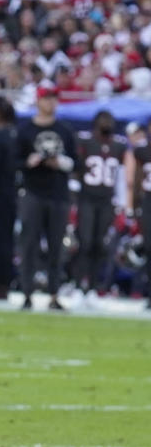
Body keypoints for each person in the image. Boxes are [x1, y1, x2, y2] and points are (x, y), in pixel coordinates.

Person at [16, 80, 78, 311]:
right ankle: (27, 293)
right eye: (46, 97)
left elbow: (75, 162)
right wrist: (31, 162)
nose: (50, 102)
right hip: (32, 192)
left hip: (58, 194)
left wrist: (58, 162)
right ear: (38, 100)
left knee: (56, 247)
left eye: (53, 97)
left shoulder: (64, 130)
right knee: (29, 245)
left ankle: (53, 294)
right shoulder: (26, 129)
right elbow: (15, 161)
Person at [72, 110, 127, 298]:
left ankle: (94, 288)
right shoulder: (85, 140)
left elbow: (121, 176)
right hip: (87, 198)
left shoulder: (118, 145)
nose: (106, 123)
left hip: (106, 201)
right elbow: (76, 169)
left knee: (99, 245)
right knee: (84, 243)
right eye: (103, 119)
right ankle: (79, 285)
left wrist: (121, 204)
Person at [0, 100, 20, 299]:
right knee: (10, 239)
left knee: (2, 240)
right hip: (18, 194)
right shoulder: (18, 136)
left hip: (2, 194)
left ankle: (1, 283)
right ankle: (7, 281)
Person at [126, 120, 151, 309]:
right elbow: (135, 180)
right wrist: (133, 207)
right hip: (148, 200)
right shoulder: (142, 151)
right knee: (149, 247)